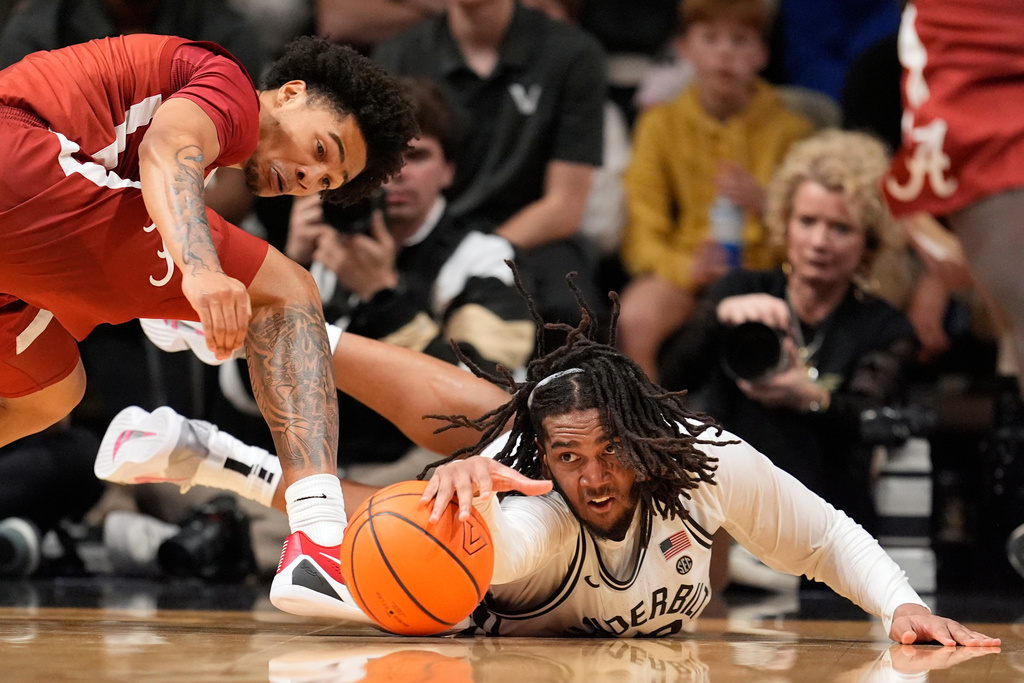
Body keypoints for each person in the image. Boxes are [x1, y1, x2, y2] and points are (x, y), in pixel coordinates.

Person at [97, 275, 997, 645]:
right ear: (550, 462)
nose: (597, 477)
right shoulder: (537, 512)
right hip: (500, 479)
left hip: (512, 460)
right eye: (574, 459)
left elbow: (826, 538)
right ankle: (264, 321)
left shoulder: (701, 459)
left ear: (645, 441)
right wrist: (482, 486)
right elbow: (515, 496)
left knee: (476, 432)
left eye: (611, 454)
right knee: (476, 435)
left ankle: (217, 453)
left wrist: (903, 606)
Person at [0, 34, 417, 617]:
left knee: (50, 389)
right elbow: (167, 149)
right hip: (17, 163)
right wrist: (199, 270)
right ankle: (319, 544)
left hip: (18, 230)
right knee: (287, 290)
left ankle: (176, 319)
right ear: (291, 93)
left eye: (324, 182)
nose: (306, 177)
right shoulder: (230, 89)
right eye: (320, 150)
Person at [658, 129, 917, 533]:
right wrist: (720, 315)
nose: (819, 242)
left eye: (840, 228)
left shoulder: (883, 326)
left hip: (827, 518)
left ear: (870, 242)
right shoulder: (738, 289)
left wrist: (812, 399)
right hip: (729, 516)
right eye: (807, 221)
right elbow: (673, 377)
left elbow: (877, 422)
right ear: (784, 222)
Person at [282, 76, 534, 477]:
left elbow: (488, 403)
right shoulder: (329, 242)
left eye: (416, 156)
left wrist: (383, 295)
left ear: (448, 170)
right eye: (381, 157)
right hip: (324, 460)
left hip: (429, 464)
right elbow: (243, 394)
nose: (396, 172)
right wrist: (288, 269)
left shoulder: (483, 257)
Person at [371, 0, 609, 338]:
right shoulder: (397, 55)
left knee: (571, 312)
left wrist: (475, 255)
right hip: (422, 232)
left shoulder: (572, 53)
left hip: (534, 239)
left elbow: (564, 206)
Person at [616, 0, 814, 381]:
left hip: (767, 270)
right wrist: (686, 267)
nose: (725, 53)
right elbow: (641, 230)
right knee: (635, 317)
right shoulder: (660, 124)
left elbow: (808, 236)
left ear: (762, 53)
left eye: (740, 41)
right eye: (710, 39)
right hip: (688, 265)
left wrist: (765, 203)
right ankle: (648, 434)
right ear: (685, 48)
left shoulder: (792, 130)